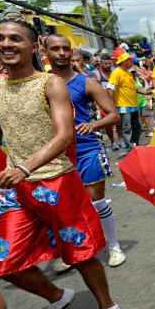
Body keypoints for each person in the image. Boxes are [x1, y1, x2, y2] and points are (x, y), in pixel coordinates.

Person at [0, 18, 120, 309]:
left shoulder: (50, 84)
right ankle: (57, 297)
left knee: (80, 253)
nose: (7, 44)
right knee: (6, 262)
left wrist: (24, 167)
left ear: (33, 47)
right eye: (1, 38)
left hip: (56, 181)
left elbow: (64, 135)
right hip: (15, 189)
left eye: (16, 39)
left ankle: (107, 307)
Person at [45, 34, 126, 268]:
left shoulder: (86, 81)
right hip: (57, 154)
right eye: (55, 49)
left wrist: (94, 124)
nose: (61, 53)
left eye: (65, 48)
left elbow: (113, 114)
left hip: (87, 149)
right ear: (45, 52)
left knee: (96, 201)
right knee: (66, 205)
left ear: (71, 52)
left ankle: (113, 246)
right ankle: (76, 249)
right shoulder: (42, 83)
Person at [109, 52, 142, 150]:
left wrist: (146, 92)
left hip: (133, 105)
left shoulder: (128, 72)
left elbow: (134, 88)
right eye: (130, 60)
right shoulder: (116, 72)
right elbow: (110, 89)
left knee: (137, 127)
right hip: (123, 106)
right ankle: (131, 148)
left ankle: (135, 144)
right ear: (125, 61)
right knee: (127, 128)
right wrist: (111, 107)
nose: (132, 62)